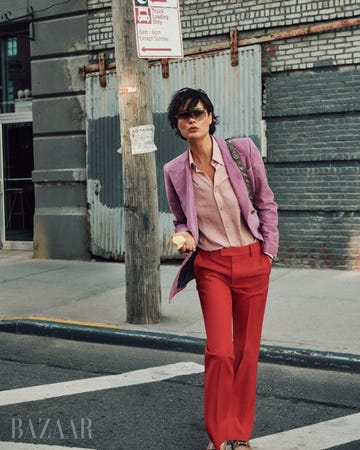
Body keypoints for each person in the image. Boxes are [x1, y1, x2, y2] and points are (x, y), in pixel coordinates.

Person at [163, 88, 279, 450]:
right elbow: (181, 219)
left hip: (252, 260)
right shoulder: (174, 171)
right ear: (177, 125)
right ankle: (219, 435)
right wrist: (182, 235)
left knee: (246, 352)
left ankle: (239, 434)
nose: (191, 119)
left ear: (210, 116)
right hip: (212, 266)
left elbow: (265, 201)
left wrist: (269, 253)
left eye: (197, 112)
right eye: (183, 116)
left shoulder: (242, 151)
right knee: (220, 352)